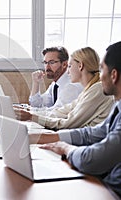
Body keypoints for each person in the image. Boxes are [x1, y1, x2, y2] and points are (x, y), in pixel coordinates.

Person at [30, 41, 121, 198]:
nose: (99, 75)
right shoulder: (117, 106)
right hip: (103, 178)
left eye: (102, 69)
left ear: (114, 75)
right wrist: (53, 138)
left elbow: (90, 159)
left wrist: (66, 148)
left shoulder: (97, 90)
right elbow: (92, 133)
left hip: (111, 190)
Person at [16, 47, 114, 130]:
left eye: (70, 66)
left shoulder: (96, 89)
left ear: (80, 66)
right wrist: (30, 113)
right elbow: (60, 111)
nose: (68, 72)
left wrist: (32, 116)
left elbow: (68, 123)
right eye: (45, 63)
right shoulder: (89, 89)